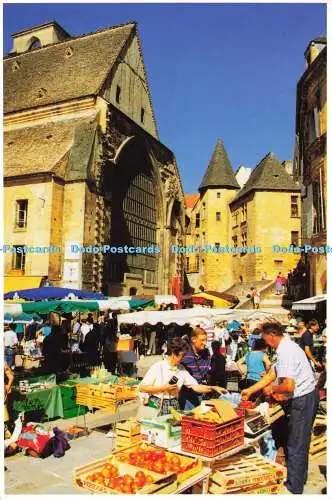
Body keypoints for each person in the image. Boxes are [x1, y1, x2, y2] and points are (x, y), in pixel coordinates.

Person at [241, 322, 319, 494]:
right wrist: (252, 389)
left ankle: (294, 487)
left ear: (272, 335)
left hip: (303, 399)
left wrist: (272, 389)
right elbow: (272, 374)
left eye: (265, 339)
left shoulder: (286, 351)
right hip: (306, 397)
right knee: (299, 441)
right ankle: (299, 478)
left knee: (296, 443)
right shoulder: (287, 346)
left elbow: (288, 386)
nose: (265, 343)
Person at [139, 338, 226, 416]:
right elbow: (143, 388)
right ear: (173, 354)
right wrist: (163, 388)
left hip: (174, 404)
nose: (183, 358)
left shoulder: (181, 369)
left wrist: (212, 388)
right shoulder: (158, 366)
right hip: (157, 404)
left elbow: (195, 386)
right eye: (182, 355)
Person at [179, 327, 211, 409]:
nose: (205, 343)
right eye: (202, 340)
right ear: (193, 339)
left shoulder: (206, 353)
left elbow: (207, 372)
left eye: (206, 340)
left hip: (200, 394)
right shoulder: (184, 353)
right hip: (185, 396)